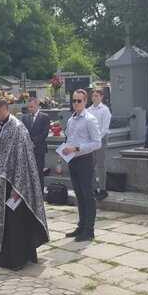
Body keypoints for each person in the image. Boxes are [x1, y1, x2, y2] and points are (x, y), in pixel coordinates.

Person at [0, 97, 48, 271]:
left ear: (4, 108)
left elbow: (23, 160)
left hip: (12, 185)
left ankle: (16, 260)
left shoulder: (18, 129)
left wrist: (18, 188)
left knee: (14, 224)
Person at [62, 89, 102, 242]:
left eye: (79, 100)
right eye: (74, 100)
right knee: (79, 195)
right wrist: (65, 148)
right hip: (73, 160)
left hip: (85, 160)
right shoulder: (71, 120)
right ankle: (81, 226)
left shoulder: (90, 119)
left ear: (85, 102)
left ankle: (89, 230)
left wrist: (77, 148)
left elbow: (97, 143)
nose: (76, 103)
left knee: (88, 195)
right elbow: (69, 139)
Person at [87, 88, 111, 200]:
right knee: (91, 165)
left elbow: (105, 128)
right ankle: (93, 188)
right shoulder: (88, 110)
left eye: (96, 96)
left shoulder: (105, 110)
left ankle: (103, 189)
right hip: (91, 141)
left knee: (100, 165)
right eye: (93, 96)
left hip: (101, 139)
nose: (94, 98)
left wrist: (97, 139)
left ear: (101, 97)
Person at [21, 97, 50, 190]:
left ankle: (39, 193)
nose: (30, 109)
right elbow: (23, 131)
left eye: (32, 107)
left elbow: (44, 133)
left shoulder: (44, 117)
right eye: (28, 107)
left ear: (37, 106)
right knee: (28, 173)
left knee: (39, 173)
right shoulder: (25, 117)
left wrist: (34, 142)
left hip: (39, 149)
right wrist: (28, 142)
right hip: (28, 149)